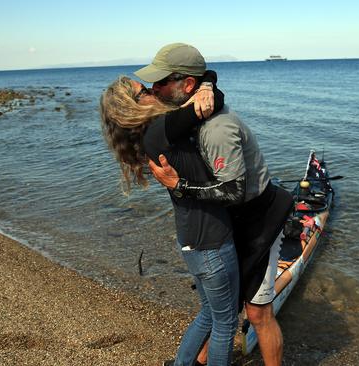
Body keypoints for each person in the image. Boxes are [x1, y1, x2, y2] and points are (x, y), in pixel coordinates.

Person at [138, 43, 293, 366]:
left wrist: (179, 186)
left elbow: (233, 191)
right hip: (229, 221)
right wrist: (209, 82)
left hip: (260, 218)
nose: (154, 88)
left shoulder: (217, 129)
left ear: (187, 85)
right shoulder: (187, 111)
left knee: (258, 311)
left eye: (162, 81)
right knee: (223, 307)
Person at [100, 66, 239, 365]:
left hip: (191, 240)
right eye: (145, 91)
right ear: (132, 105)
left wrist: (204, 84)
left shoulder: (153, 134)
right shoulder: (163, 128)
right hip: (212, 240)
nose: (153, 90)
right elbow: (210, 100)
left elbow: (207, 91)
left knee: (207, 313)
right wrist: (206, 85)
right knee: (225, 323)